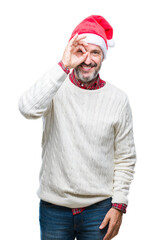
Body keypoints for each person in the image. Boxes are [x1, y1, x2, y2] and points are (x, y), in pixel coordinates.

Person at [18, 15, 137, 240]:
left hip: (99, 209)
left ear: (103, 56)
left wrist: (119, 205)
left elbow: (125, 157)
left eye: (95, 52)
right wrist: (63, 66)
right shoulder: (55, 89)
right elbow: (27, 108)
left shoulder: (118, 99)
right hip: (54, 209)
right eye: (81, 51)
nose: (88, 60)